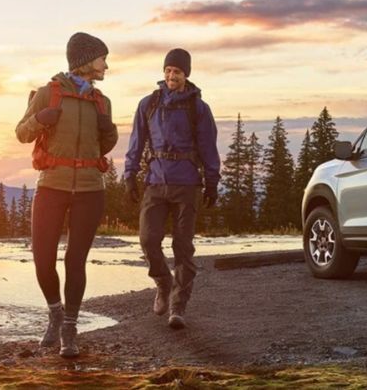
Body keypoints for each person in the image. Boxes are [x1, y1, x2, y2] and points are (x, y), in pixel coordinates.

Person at [15, 32, 118, 358]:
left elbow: (105, 146)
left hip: (90, 189)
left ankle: (70, 328)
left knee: (76, 261)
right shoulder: (49, 93)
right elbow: (21, 133)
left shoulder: (103, 101)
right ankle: (55, 312)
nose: (106, 65)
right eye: (103, 58)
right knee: (43, 261)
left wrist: (108, 129)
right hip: (51, 186)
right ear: (85, 60)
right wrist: (39, 118)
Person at [124, 48, 220, 329]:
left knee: (182, 247)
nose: (171, 76)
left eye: (176, 72)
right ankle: (163, 282)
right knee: (147, 239)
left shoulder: (198, 108)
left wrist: (212, 181)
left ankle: (178, 307)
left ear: (185, 74)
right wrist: (129, 175)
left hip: (187, 183)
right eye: (167, 71)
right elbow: (136, 142)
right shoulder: (148, 104)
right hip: (155, 182)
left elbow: (208, 147)